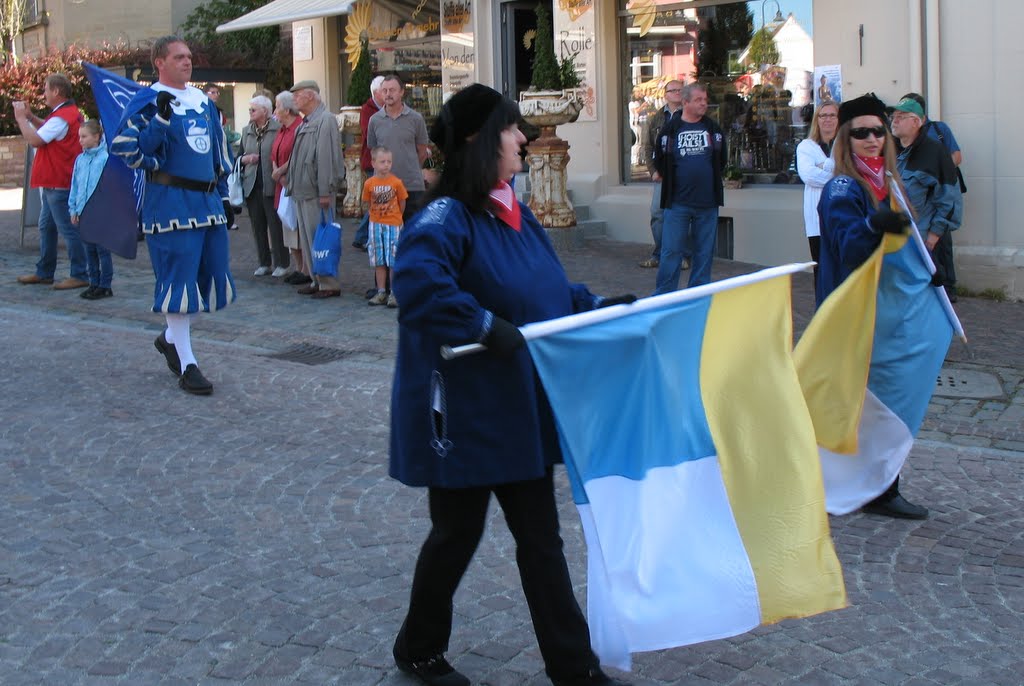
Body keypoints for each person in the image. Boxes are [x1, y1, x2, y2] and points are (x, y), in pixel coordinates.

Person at [389, 83, 632, 686]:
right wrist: (482, 324)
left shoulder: (513, 214)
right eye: (511, 128)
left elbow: (546, 293)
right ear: (478, 139)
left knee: (541, 541)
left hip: (516, 409)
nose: (523, 137)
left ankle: (574, 669)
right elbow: (417, 285)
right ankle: (417, 651)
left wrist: (599, 306)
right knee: (455, 535)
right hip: (466, 414)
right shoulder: (445, 217)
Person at [816, 93, 927, 520]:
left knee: (881, 401)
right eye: (861, 132)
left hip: (885, 310)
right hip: (854, 313)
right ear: (846, 137)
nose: (872, 139)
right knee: (868, 403)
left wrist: (925, 271)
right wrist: (871, 225)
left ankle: (877, 485)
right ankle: (873, 488)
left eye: (878, 131)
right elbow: (847, 247)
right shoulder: (843, 187)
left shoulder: (888, 183)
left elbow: (905, 246)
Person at [111, 36, 236, 395]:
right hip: (169, 205)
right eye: (179, 57)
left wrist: (225, 198)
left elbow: (218, 153)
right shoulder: (147, 100)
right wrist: (161, 119)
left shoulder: (203, 101)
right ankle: (188, 364)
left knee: (206, 283)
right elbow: (129, 150)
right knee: (178, 285)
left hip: (208, 204)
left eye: (188, 56)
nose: (187, 62)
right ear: (160, 62)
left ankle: (169, 339)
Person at [14, 73, 89, 290]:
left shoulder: (61, 117)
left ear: (56, 91)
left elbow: (37, 139)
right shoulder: (65, 114)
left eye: (46, 89)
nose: (43, 93)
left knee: (67, 229)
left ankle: (79, 273)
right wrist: (31, 117)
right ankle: (45, 271)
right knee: (47, 226)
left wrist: (21, 119)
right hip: (56, 181)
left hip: (58, 180)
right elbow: (48, 128)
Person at [652, 82, 726, 294]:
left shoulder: (713, 129)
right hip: (677, 203)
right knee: (671, 252)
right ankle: (664, 297)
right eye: (699, 100)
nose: (704, 103)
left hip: (707, 203)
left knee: (704, 253)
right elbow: (660, 159)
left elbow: (721, 160)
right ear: (685, 102)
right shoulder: (669, 130)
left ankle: (697, 297)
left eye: (705, 99)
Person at [890, 96, 963, 301]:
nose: (894, 121)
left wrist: (934, 236)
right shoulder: (890, 150)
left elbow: (949, 199)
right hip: (898, 239)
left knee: (927, 296)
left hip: (924, 240)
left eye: (901, 117)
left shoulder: (934, 152)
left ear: (917, 121)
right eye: (893, 116)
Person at [284, 79, 345, 299]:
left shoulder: (325, 120)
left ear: (310, 96)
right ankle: (315, 279)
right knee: (309, 239)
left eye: (297, 95)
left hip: (316, 191)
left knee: (321, 237)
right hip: (302, 190)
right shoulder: (306, 122)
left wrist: (325, 190)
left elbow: (326, 158)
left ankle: (329, 283)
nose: (294, 100)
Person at [367, 74, 430, 221]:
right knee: (387, 233)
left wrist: (411, 168)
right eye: (385, 91)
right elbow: (373, 151)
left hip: (411, 186)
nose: (388, 94)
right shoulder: (374, 120)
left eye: (392, 90)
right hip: (384, 187)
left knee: (412, 232)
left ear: (401, 92)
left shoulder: (415, 118)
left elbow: (422, 151)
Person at [239, 95, 289, 277]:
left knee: (275, 226)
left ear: (265, 111)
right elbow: (238, 156)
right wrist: (246, 159)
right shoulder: (247, 131)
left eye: (254, 109)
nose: (250, 112)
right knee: (257, 225)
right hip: (252, 184)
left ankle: (282, 263)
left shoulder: (278, 130)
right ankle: (264, 262)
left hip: (271, 183)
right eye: (250, 110)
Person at [638, 79, 686, 270]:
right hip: (663, 175)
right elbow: (647, 146)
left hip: (684, 175)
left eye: (679, 90)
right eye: (672, 90)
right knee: (657, 214)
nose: (676, 93)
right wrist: (653, 171)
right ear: (665, 95)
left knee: (683, 215)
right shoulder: (656, 118)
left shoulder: (690, 115)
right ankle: (660, 253)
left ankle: (682, 255)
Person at [68, 119, 114, 300]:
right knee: (90, 251)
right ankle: (93, 282)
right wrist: (74, 209)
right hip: (84, 212)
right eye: (80, 137)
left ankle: (105, 285)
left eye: (84, 136)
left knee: (102, 250)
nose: (81, 140)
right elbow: (75, 186)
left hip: (100, 213)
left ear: (96, 137)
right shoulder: (80, 159)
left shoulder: (105, 159)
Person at [796, 102, 839, 278]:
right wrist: (836, 170)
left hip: (843, 215)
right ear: (817, 120)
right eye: (823, 115)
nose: (827, 119)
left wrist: (824, 165)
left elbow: (852, 174)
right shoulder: (806, 146)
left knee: (842, 270)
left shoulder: (845, 145)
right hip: (817, 219)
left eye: (832, 115)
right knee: (822, 272)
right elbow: (809, 176)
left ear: (838, 119)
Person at [270, 91, 308, 285]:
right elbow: (274, 153)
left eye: (277, 106)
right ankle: (298, 266)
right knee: (288, 228)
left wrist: (282, 172)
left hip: (294, 184)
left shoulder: (298, 128)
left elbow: (297, 155)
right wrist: (276, 170)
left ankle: (305, 269)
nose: (275, 110)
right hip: (281, 186)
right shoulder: (281, 129)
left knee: (298, 228)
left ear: (286, 109)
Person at [362, 146, 407, 308]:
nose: (386, 165)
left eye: (389, 161)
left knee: (394, 260)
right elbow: (367, 202)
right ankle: (381, 291)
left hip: (393, 224)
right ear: (373, 163)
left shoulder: (396, 182)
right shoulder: (369, 183)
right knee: (379, 260)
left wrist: (397, 217)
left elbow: (402, 201)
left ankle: (395, 293)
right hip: (376, 224)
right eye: (382, 162)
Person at [353, 75, 387, 251]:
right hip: (372, 161)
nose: (387, 94)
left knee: (379, 198)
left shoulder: (386, 108)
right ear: (376, 92)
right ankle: (363, 235)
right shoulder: (368, 109)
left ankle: (362, 235)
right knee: (378, 199)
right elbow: (369, 134)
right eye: (384, 90)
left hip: (384, 160)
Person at [204, 83, 239, 231]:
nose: (216, 95)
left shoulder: (218, 113)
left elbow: (220, 137)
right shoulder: (202, 108)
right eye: (213, 92)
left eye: (217, 92)